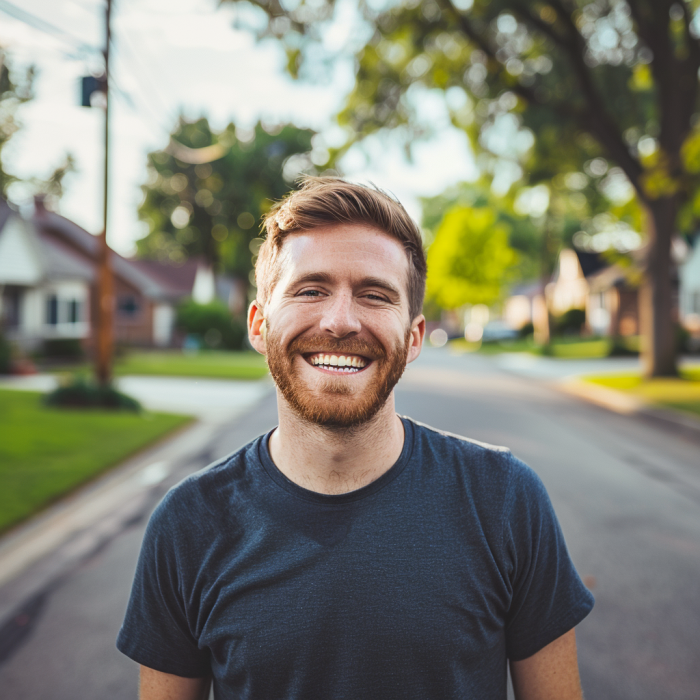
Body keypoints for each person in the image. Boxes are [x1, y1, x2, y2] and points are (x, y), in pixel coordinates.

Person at [117, 177, 594, 700]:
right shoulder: (189, 524)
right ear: (259, 324)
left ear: (412, 338)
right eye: (310, 289)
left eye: (374, 295)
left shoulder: (505, 500)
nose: (341, 321)